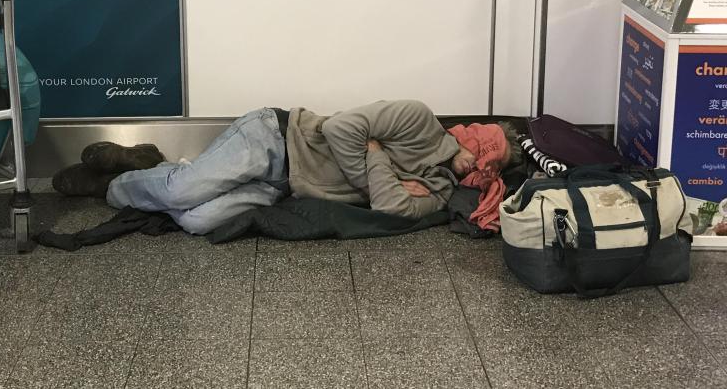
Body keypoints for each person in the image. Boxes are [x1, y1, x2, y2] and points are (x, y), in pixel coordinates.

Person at [55, 100, 517, 234]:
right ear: (472, 136)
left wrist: (375, 156)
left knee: (197, 219)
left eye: (492, 170)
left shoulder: (436, 192)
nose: (484, 168)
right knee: (179, 195)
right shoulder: (417, 118)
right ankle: (115, 184)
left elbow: (392, 209)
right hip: (275, 138)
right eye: (488, 153)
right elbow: (339, 131)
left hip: (284, 187)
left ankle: (156, 164)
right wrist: (381, 178)